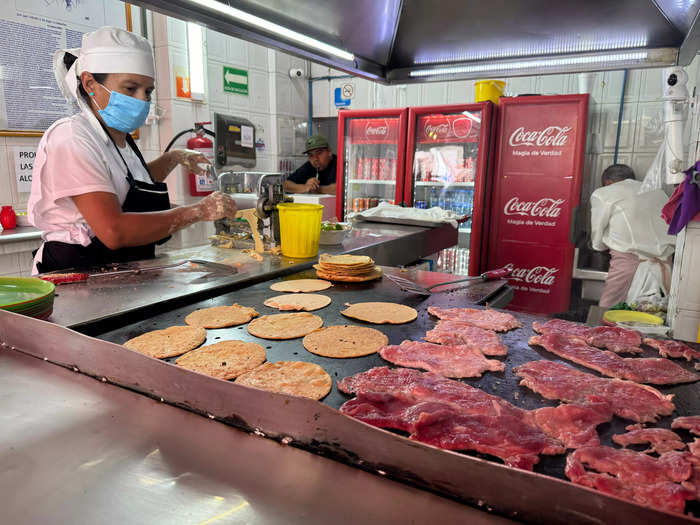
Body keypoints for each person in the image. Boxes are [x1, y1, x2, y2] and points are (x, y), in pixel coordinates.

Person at [28, 26, 237, 273]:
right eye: (130, 88)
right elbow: (112, 231)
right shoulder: (72, 136)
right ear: (90, 83)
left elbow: (131, 186)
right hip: (77, 274)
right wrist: (198, 211)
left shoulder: (119, 138)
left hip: (118, 271)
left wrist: (175, 158)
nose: (141, 100)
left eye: (147, 91)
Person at [590, 164, 675, 308]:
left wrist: (599, 246)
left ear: (608, 182)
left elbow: (597, 236)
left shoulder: (603, 193)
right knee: (655, 311)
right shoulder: (658, 192)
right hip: (665, 264)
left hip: (628, 263)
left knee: (609, 310)